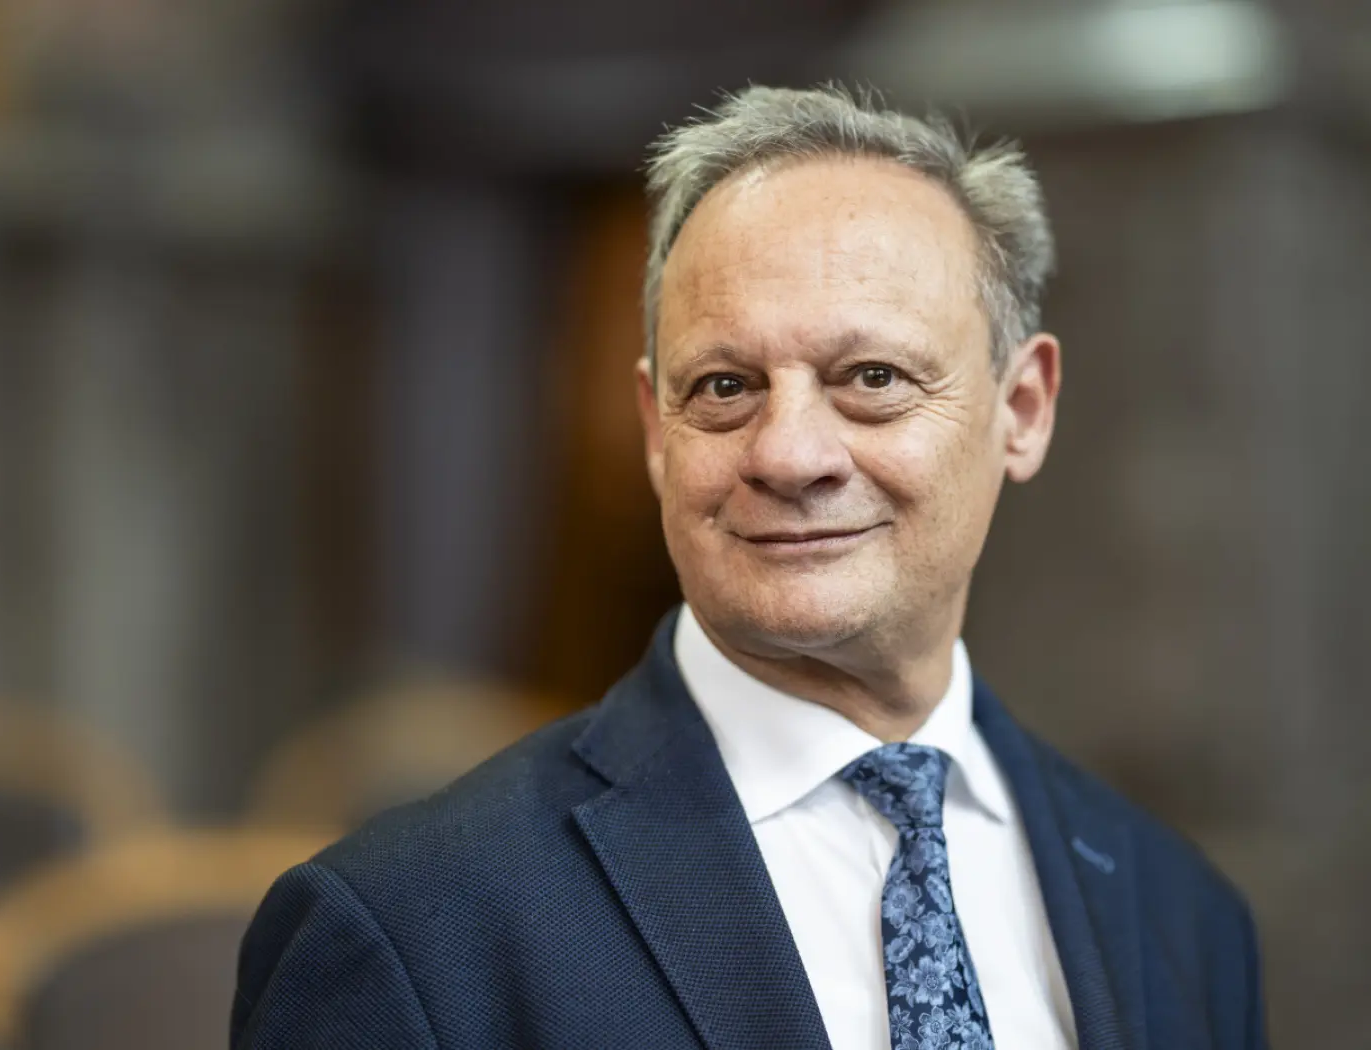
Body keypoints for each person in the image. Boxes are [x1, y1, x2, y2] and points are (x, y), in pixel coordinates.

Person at [232, 85, 1266, 1050]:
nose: (786, 454)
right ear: (653, 430)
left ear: (1021, 410)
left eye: (870, 379)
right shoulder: (414, 934)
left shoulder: (1178, 915)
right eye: (725, 387)